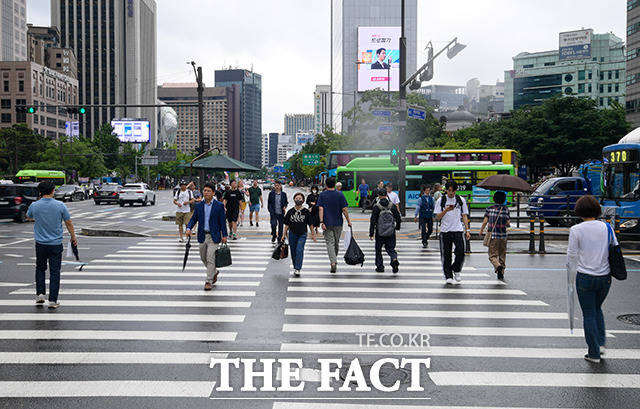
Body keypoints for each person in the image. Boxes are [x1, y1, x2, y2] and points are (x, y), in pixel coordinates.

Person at [567, 195, 614, 363]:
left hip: (585, 276)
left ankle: (593, 353)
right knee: (596, 308)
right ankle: (600, 344)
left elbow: (571, 255)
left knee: (588, 313)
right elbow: (613, 247)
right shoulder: (607, 227)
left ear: (579, 211)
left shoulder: (576, 230)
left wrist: (570, 278)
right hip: (605, 277)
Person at [27, 181, 78, 309]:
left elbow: (28, 217)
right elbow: (69, 222)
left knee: (40, 268)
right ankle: (53, 301)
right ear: (53, 191)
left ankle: (40, 294)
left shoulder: (34, 205)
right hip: (55, 244)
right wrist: (73, 237)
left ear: (40, 192)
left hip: (40, 244)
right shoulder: (60, 205)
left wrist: (39, 219)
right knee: (55, 272)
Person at [186, 183, 228, 291]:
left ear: (213, 193)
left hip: (214, 236)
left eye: (208, 191)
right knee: (203, 257)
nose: (206, 192)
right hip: (202, 235)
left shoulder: (218, 206)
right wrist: (188, 228)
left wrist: (225, 235)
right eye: (204, 190)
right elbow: (193, 218)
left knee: (210, 258)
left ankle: (208, 281)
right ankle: (214, 272)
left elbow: (222, 222)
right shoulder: (199, 205)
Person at [435, 181, 471, 285]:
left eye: (453, 191)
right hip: (445, 230)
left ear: (456, 190)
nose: (451, 193)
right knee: (446, 254)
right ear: (446, 190)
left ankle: (456, 269)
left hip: (458, 230)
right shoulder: (441, 201)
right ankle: (448, 275)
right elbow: (437, 217)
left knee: (461, 252)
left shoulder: (460, 200)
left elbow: (464, 215)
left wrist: (467, 230)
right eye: (449, 190)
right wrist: (446, 210)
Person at [318, 177, 352, 273]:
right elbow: (344, 209)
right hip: (338, 222)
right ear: (334, 184)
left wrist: (321, 221)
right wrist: (348, 221)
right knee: (336, 243)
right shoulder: (340, 194)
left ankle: (333, 262)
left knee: (330, 243)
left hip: (327, 223)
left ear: (326, 184)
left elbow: (321, 209)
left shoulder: (322, 195)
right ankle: (334, 260)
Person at [282, 192, 317, 276]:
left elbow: (310, 224)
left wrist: (313, 234)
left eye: (300, 199)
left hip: (302, 234)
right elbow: (286, 224)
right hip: (292, 234)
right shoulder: (290, 211)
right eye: (297, 198)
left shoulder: (306, 212)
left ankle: (298, 268)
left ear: (303, 200)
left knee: (299, 250)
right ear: (294, 199)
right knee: (293, 251)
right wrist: (284, 234)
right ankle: (295, 267)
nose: (298, 200)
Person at [480, 191, 510, 280]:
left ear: (494, 199)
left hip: (493, 236)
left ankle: (497, 266)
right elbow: (508, 223)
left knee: (492, 255)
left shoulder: (489, 209)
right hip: (503, 236)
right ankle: (501, 272)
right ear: (504, 199)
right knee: (502, 255)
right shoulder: (506, 209)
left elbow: (485, 221)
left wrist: (481, 230)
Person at [369, 188, 401, 273]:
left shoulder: (376, 207)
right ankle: (394, 258)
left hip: (380, 232)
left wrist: (371, 233)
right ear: (386, 195)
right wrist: (397, 227)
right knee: (391, 248)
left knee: (378, 249)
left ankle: (380, 267)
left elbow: (372, 221)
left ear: (379, 196)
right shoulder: (392, 206)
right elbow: (398, 217)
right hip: (391, 231)